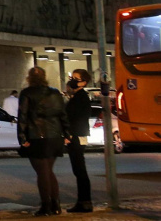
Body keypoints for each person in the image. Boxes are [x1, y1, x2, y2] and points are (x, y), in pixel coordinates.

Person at [18, 66, 70, 216]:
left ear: (29, 78)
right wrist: (67, 134)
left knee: (42, 172)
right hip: (55, 135)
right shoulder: (55, 92)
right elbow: (62, 114)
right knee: (48, 171)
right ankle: (56, 204)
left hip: (36, 136)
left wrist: (22, 137)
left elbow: (23, 116)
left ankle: (46, 206)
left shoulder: (27, 93)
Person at [65, 69, 93, 213]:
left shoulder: (81, 97)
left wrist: (70, 135)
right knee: (78, 169)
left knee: (79, 169)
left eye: (76, 78)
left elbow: (77, 118)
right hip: (77, 135)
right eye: (72, 78)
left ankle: (84, 202)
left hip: (76, 136)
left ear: (84, 82)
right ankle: (83, 201)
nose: (73, 81)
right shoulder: (77, 96)